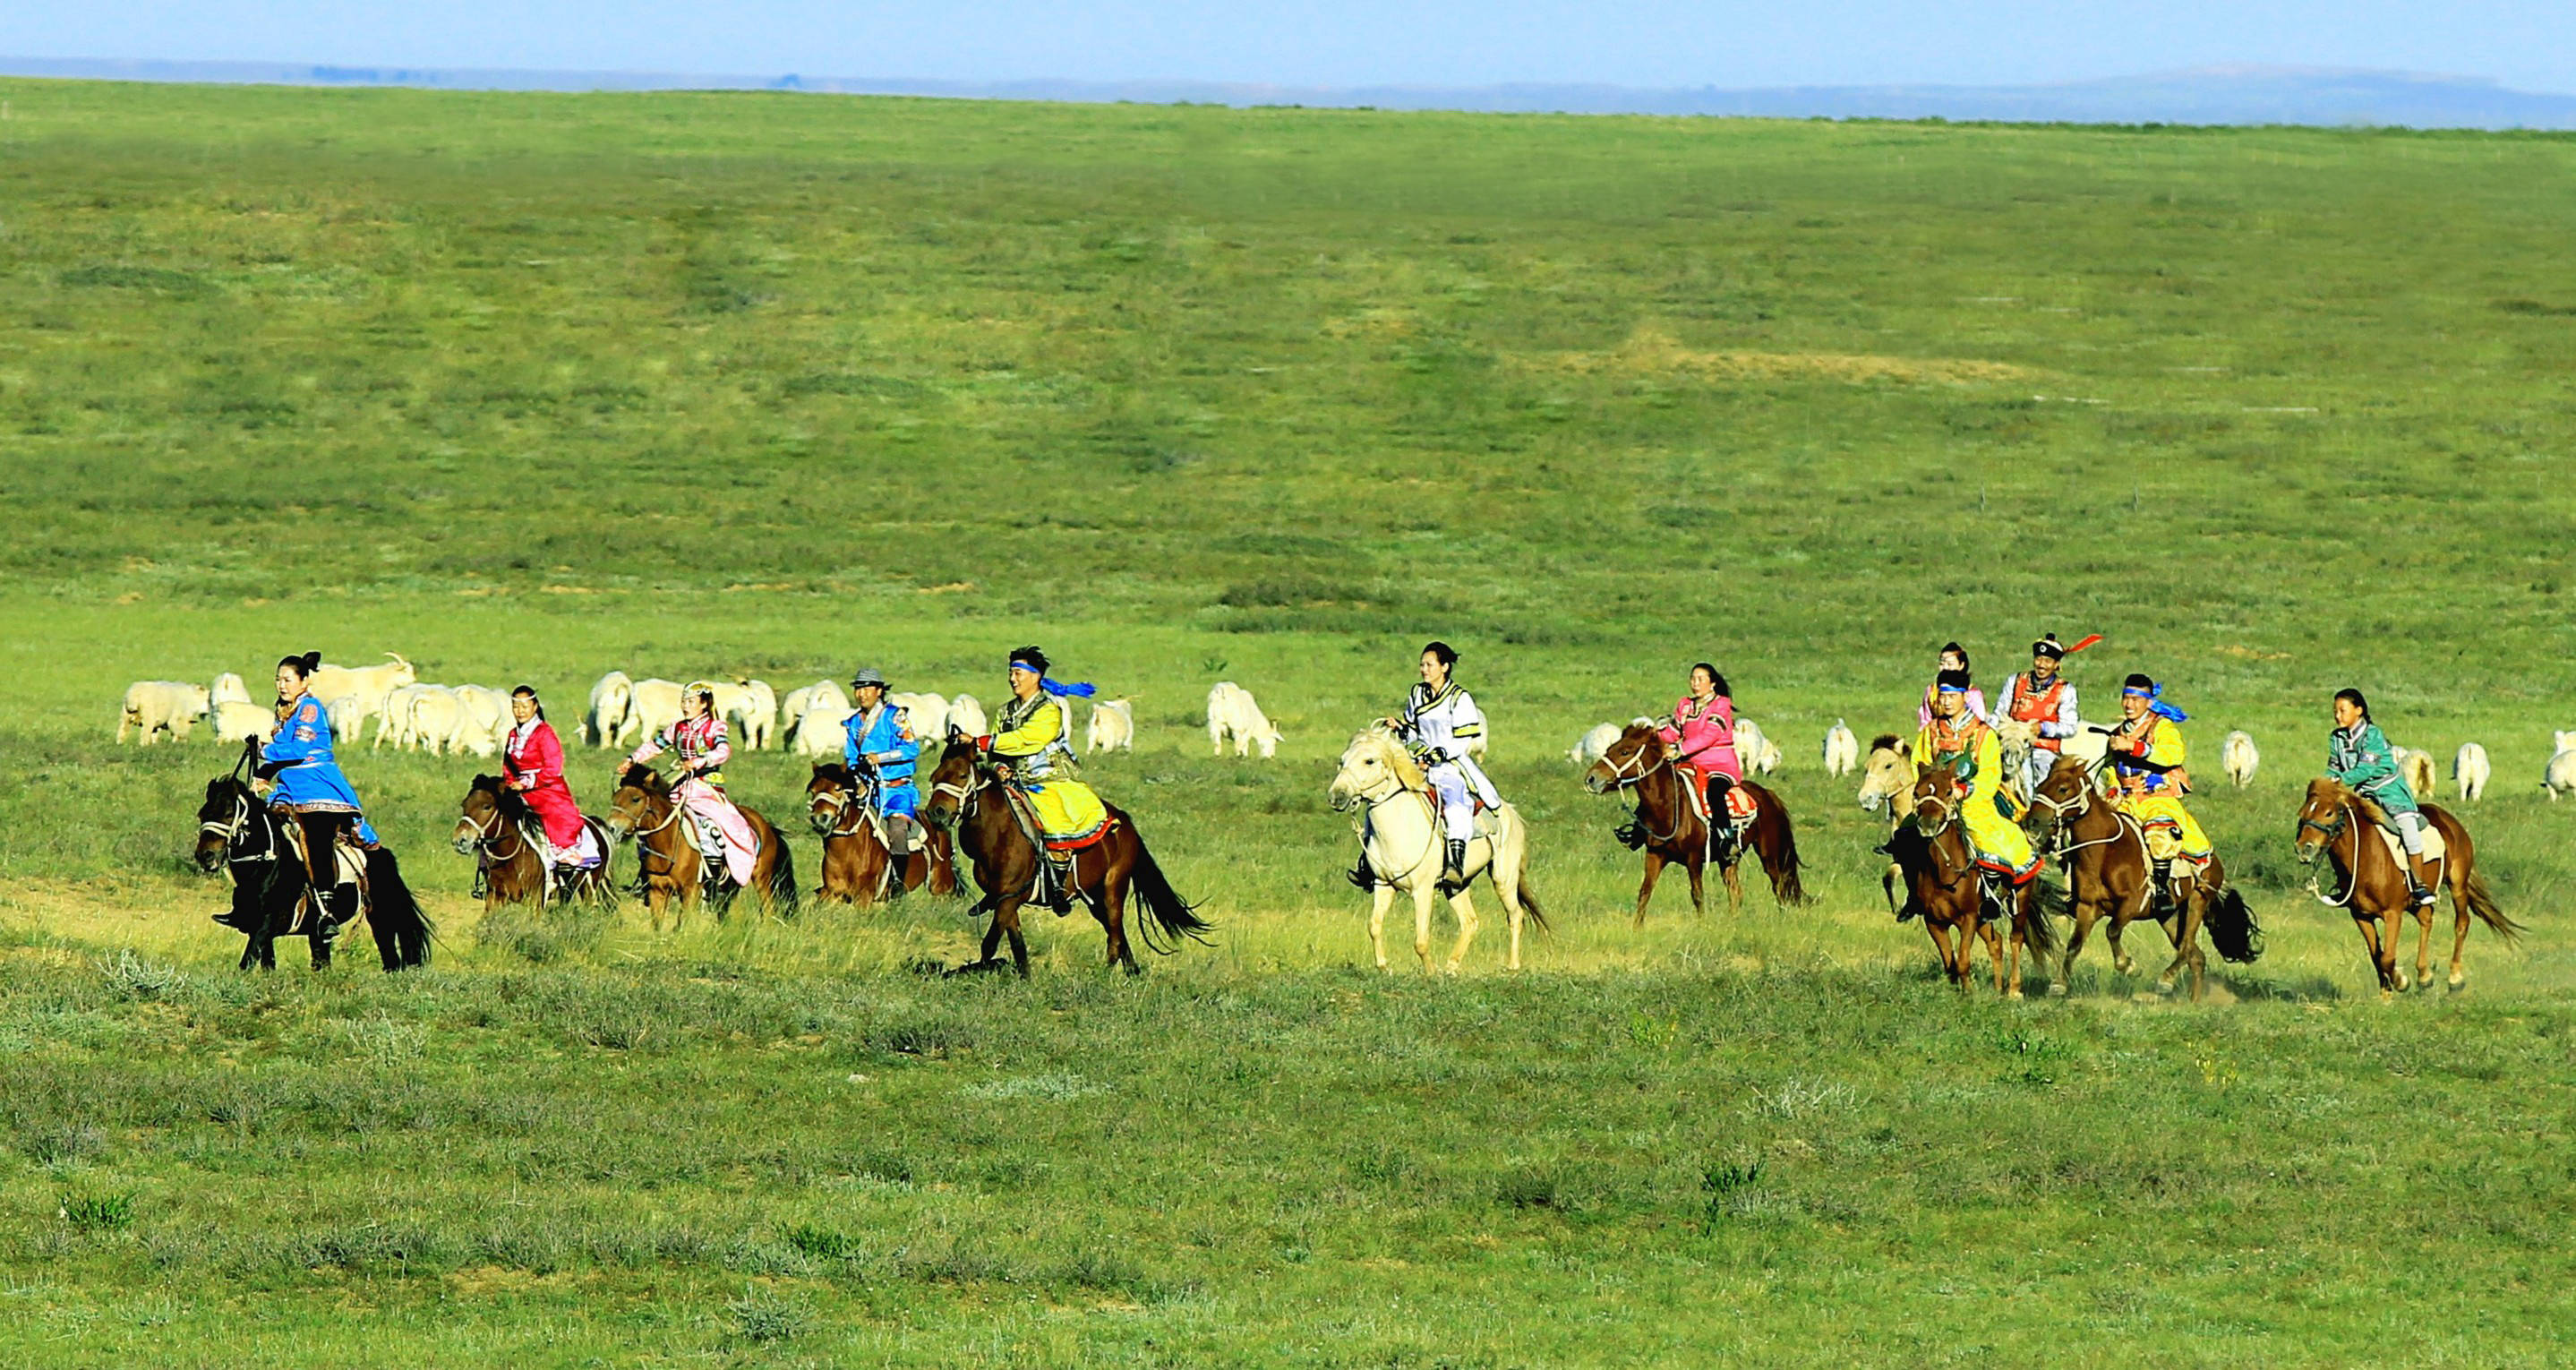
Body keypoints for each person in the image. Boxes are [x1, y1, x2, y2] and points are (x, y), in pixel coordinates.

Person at [971, 646, 1104, 912]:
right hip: (1011, 782)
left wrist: (979, 742)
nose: (1012, 679)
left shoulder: (1048, 711)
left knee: (1053, 823)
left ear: (1035, 676)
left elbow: (1026, 740)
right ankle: (998, 883)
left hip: (1048, 781)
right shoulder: (1005, 711)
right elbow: (999, 751)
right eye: (1011, 673)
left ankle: (1058, 886)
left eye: (1018, 673)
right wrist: (997, 766)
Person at [255, 650, 380, 926]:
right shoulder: (282, 709)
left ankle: (326, 910)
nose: (282, 685)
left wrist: (263, 751)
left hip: (318, 787)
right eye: (278, 679)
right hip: (289, 786)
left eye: (288, 679)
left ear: (304, 681)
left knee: (317, 839)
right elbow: (286, 753)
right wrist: (264, 774)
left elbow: (299, 749)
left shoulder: (310, 708)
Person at [1908, 669, 2041, 888]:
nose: (1947, 702)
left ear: (1965, 696)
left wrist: (1966, 790)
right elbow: (1919, 764)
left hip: (1973, 802)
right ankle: (1914, 894)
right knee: (1904, 837)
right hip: (1936, 802)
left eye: (1952, 696)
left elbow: (1991, 773)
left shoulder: (1983, 733)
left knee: (1988, 839)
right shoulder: (1931, 731)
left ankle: (1991, 893)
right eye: (1943, 696)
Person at [1386, 641, 1502, 892]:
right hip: (1419, 763)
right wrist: (1401, 729)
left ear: (1444, 667)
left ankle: (1455, 865)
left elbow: (1463, 741)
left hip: (1451, 766)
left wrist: (1436, 755)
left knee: (1456, 804)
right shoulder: (1417, 693)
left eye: (1429, 664)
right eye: (1422, 664)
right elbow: (1415, 732)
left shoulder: (1460, 699)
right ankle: (1371, 863)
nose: (1423, 669)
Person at [626, 681, 757, 890]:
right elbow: (655, 745)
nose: (685, 706)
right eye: (683, 701)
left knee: (713, 825)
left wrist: (700, 761)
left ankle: (715, 872)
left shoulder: (715, 727)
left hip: (705, 788)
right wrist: (632, 759)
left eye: (691, 702)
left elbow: (723, 750)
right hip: (679, 787)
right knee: (650, 822)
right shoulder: (677, 727)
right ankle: (647, 874)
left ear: (704, 704)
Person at [2326, 688, 2437, 907]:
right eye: (2335, 711)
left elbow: (2366, 770)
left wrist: (2338, 782)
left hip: (2390, 792)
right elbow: (2333, 767)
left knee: (2408, 829)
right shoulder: (2336, 738)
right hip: (2361, 793)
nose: (2338, 716)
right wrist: (2325, 785)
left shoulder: (2373, 734)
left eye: (2342, 710)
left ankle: (2419, 885)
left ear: (2358, 710)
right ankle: (2345, 884)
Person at [2102, 672, 2212, 875]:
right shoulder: (2119, 731)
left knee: (2159, 834)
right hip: (2126, 801)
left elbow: (2173, 754)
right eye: (2126, 698)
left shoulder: (2162, 727)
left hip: (2157, 797)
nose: (2129, 705)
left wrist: (2135, 747)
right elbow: (2111, 766)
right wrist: (2112, 787)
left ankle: (2162, 892)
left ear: (2149, 701)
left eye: (2136, 700)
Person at [502, 685, 598, 876]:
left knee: (556, 815)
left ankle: (567, 858)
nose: (520, 712)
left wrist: (527, 783)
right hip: (519, 788)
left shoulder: (544, 733)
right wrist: (509, 784)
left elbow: (554, 767)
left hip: (547, 788)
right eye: (516, 707)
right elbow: (507, 764)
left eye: (525, 707)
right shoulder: (513, 734)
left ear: (535, 707)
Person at [1655, 662, 1743, 856]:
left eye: (1700, 679)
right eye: (1693, 679)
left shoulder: (1721, 705)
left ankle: (1727, 838)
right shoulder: (1686, 705)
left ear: (1712, 683)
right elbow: (1675, 730)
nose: (1695, 683)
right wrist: (1652, 737)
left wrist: (1679, 749)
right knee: (1659, 784)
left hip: (1719, 764)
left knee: (1715, 792)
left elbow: (1709, 735)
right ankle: (1639, 830)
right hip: (1690, 762)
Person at [1998, 633, 2094, 792]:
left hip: (2042, 750)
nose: (2042, 665)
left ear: (2057, 664)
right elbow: (2000, 713)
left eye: (2048, 661)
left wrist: (2043, 728)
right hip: (2011, 742)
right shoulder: (2015, 681)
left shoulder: (2065, 690)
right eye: (2039, 659)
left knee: (2038, 780)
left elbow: (2070, 727)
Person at [841, 666, 922, 838]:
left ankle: (900, 865)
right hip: (868, 793)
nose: (861, 694)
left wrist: (880, 758)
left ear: (878, 691)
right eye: (858, 689)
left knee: (898, 829)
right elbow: (852, 758)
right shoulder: (853, 723)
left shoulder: (896, 716)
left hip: (897, 791)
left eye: (866, 689)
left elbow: (911, 748)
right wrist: (858, 781)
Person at [1917, 642, 1990, 730]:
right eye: (1941, 664)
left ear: (1961, 665)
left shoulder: (1973, 694)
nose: (1945, 668)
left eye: (1950, 664)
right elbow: (1925, 721)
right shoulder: (1932, 692)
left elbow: (1979, 723)